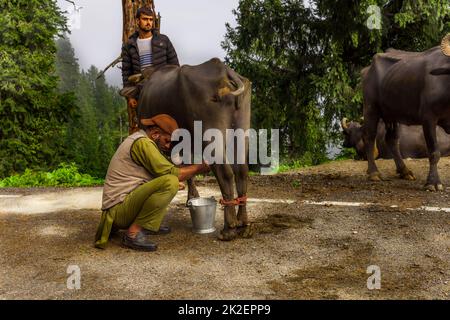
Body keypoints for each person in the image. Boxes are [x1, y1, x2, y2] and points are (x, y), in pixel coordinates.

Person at [95, 114, 209, 251]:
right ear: (155, 134)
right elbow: (173, 173)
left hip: (121, 205)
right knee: (171, 181)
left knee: (170, 183)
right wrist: (200, 167)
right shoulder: (143, 143)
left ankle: (148, 224)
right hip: (118, 211)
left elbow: (155, 173)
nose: (168, 146)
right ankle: (132, 233)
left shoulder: (140, 140)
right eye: (167, 140)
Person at [121, 6, 180, 133]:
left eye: (151, 19)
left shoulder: (163, 40)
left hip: (164, 89)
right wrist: (130, 97)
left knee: (168, 125)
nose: (149, 22)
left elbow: (175, 66)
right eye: (145, 19)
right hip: (142, 92)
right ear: (137, 21)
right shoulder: (129, 45)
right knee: (146, 127)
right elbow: (126, 72)